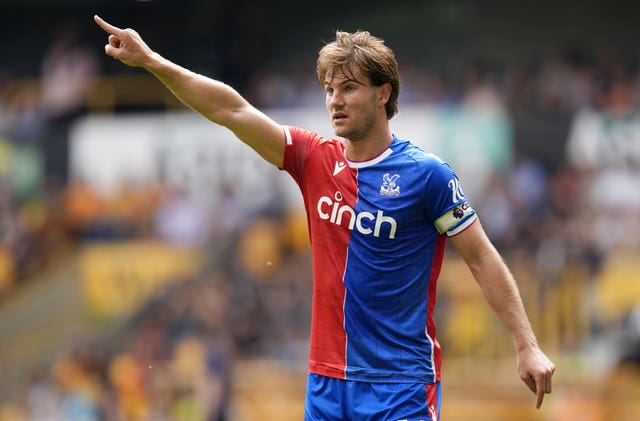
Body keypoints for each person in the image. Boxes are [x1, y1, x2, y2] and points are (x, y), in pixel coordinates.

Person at [94, 15, 556, 420]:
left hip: (400, 387)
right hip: (326, 386)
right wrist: (154, 62)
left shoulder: (427, 176)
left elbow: (480, 257)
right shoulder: (313, 159)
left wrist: (526, 343)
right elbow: (231, 109)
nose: (334, 100)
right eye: (330, 90)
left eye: (349, 88)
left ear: (383, 93)